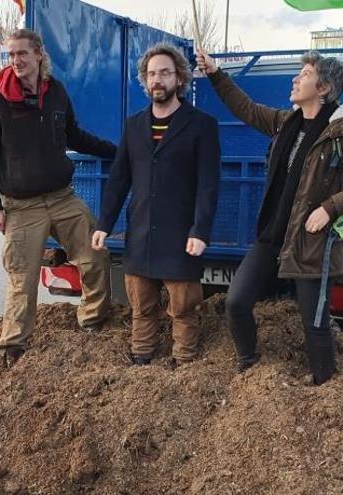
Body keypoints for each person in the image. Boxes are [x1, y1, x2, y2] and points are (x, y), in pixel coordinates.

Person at [196, 48, 343, 385]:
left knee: (314, 323)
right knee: (237, 301)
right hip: (272, 236)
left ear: (324, 87)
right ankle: (249, 364)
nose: (296, 78)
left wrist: (329, 208)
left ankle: (324, 385)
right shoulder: (287, 122)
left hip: (309, 243)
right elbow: (246, 108)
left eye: (305, 74)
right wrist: (214, 72)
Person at [0, 28, 117, 368]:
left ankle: (93, 321)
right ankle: (13, 345)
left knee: (95, 254)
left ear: (39, 54)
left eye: (22, 53)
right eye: (11, 55)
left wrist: (116, 151)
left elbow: (74, 135)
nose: (16, 61)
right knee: (22, 276)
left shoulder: (55, 92)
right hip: (21, 206)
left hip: (62, 198)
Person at [92, 43, 220, 366]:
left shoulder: (201, 125)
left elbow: (208, 184)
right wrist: (103, 224)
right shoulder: (134, 125)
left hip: (180, 235)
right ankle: (141, 357)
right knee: (141, 305)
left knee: (184, 307)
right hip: (141, 234)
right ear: (144, 81)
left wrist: (200, 229)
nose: (157, 80)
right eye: (151, 74)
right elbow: (120, 179)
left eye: (164, 72)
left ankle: (184, 360)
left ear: (179, 78)